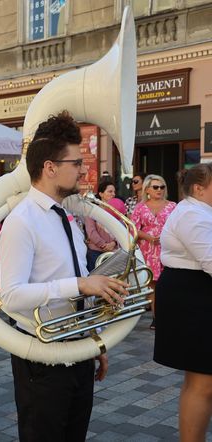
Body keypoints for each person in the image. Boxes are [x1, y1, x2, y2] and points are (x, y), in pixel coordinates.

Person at [0, 112, 127, 442]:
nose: (83, 169)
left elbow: (79, 273)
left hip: (78, 347)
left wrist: (94, 338)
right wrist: (81, 285)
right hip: (41, 357)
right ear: (50, 167)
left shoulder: (67, 214)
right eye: (76, 162)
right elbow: (10, 296)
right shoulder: (21, 221)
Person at [153, 163, 212, 442]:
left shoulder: (197, 211)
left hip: (195, 293)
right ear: (199, 189)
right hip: (192, 296)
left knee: (202, 380)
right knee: (203, 381)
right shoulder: (192, 214)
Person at [131, 174, 176, 329]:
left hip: (168, 249)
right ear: (147, 189)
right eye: (155, 187)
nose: (159, 190)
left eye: (162, 187)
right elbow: (133, 229)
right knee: (152, 286)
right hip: (148, 250)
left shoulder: (173, 206)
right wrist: (149, 237)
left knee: (169, 284)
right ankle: (156, 318)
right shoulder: (140, 207)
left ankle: (170, 315)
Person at [84, 181, 122, 271]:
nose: (113, 194)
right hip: (96, 252)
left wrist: (114, 243)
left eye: (114, 192)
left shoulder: (117, 210)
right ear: (101, 194)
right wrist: (103, 245)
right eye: (110, 191)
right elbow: (91, 231)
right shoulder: (91, 210)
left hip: (114, 251)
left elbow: (121, 228)